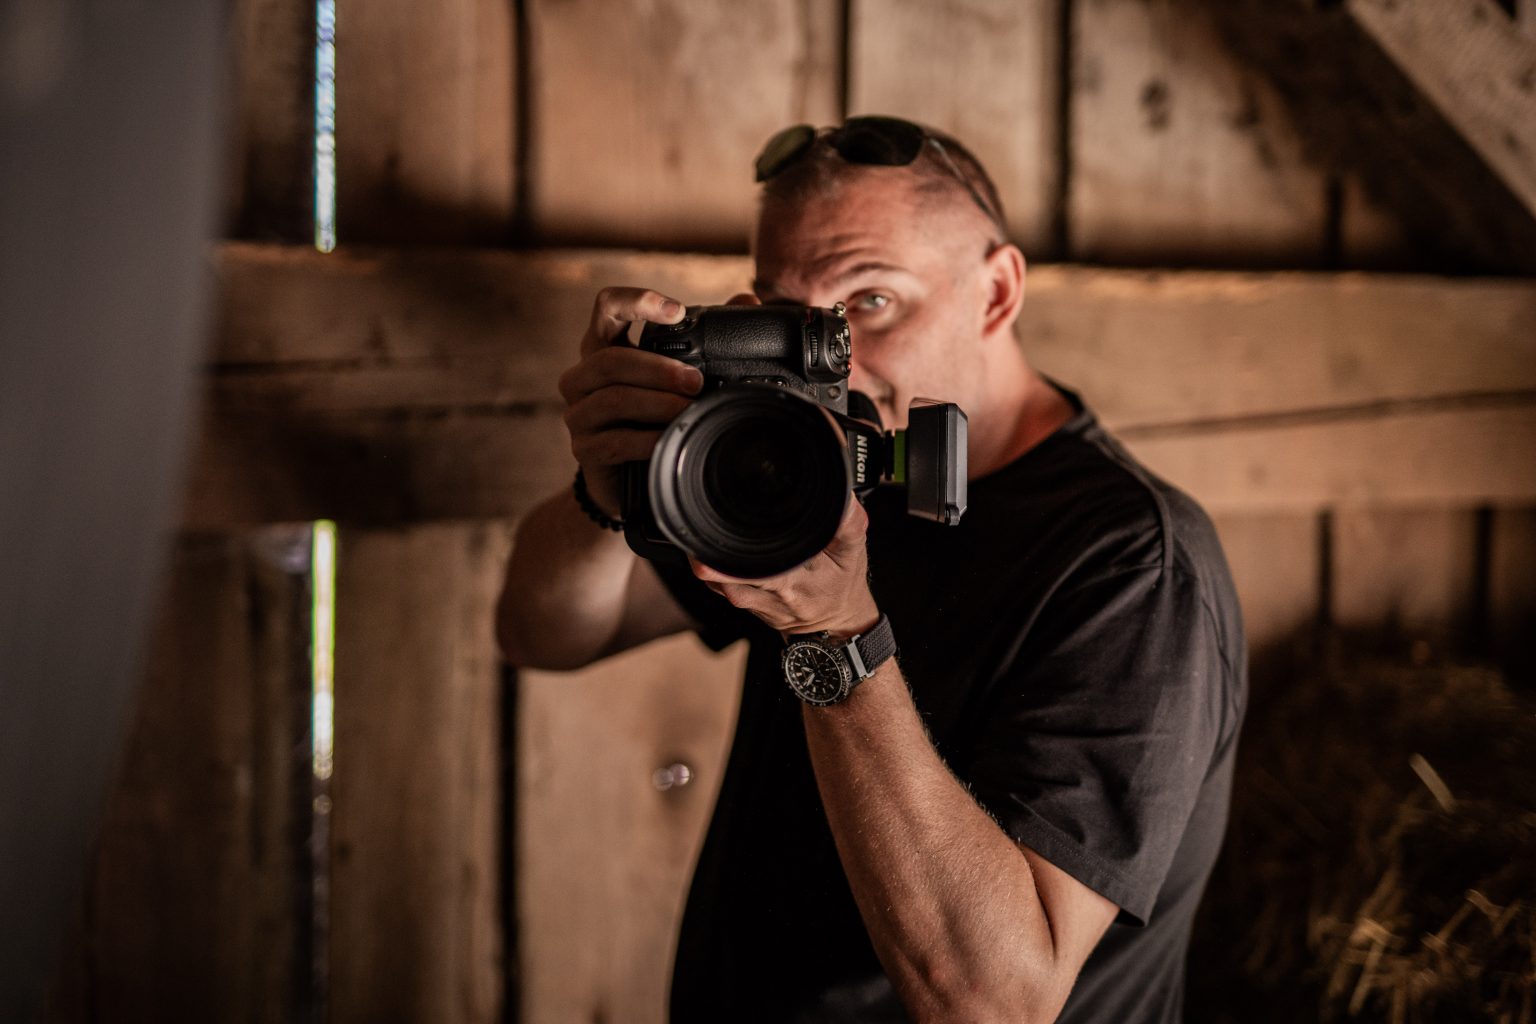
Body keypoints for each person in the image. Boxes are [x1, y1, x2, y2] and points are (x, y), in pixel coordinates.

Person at [497, 116, 1246, 1024]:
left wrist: (833, 633)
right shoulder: (795, 458)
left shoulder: (1135, 562)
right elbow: (544, 633)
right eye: (792, 313)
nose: (835, 354)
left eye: (872, 301)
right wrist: (606, 494)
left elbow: (994, 1005)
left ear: (998, 292)